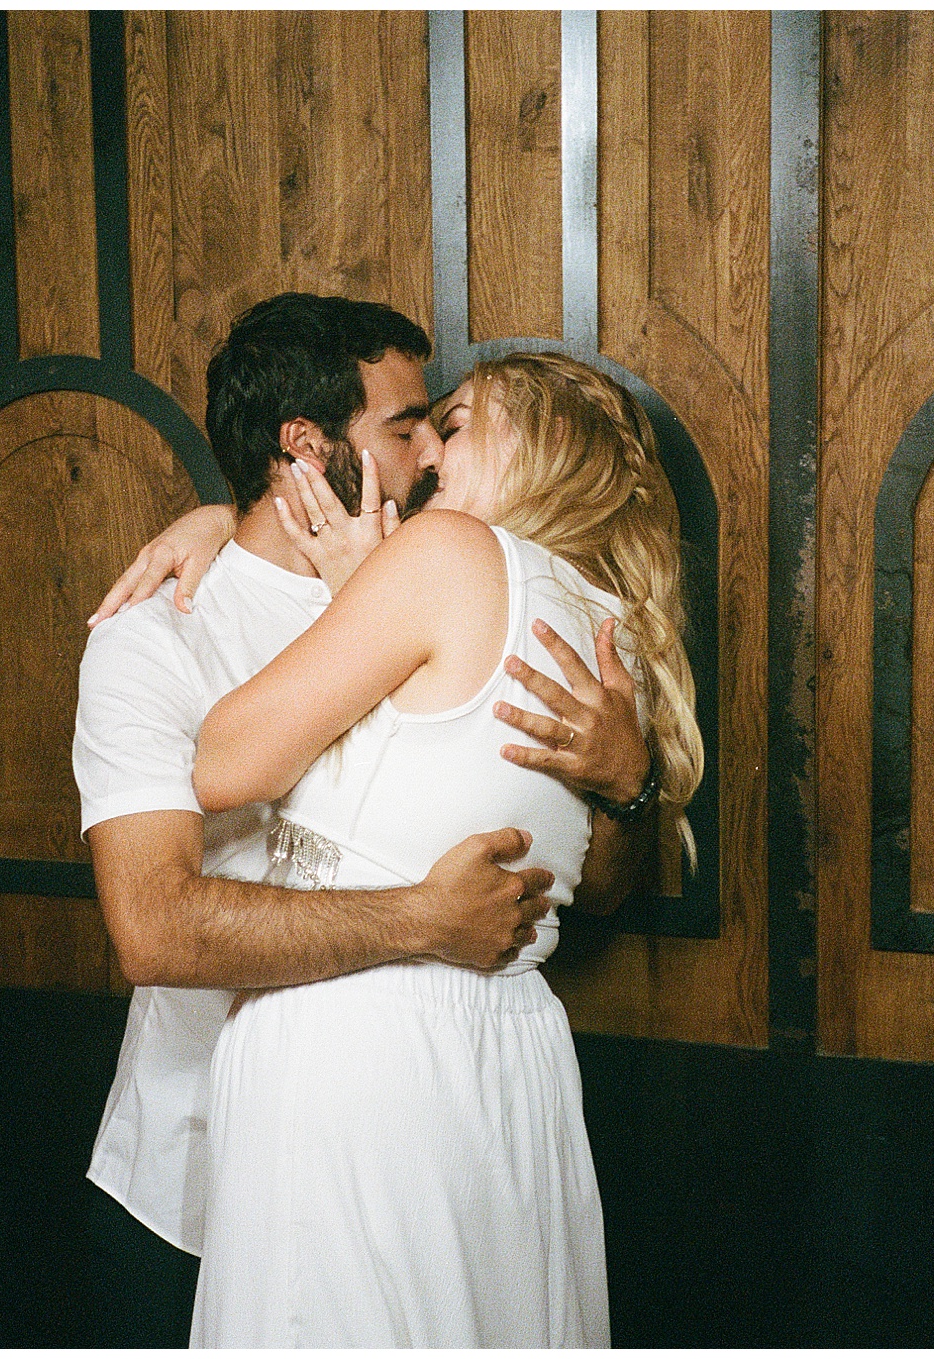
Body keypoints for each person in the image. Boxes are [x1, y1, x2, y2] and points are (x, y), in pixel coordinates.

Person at [71, 297, 657, 1346]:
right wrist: (422, 921)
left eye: (443, 425)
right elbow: (156, 930)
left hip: (425, 1129)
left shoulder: (458, 585)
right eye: (404, 428)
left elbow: (598, 883)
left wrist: (629, 784)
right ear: (305, 449)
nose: (432, 451)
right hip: (196, 1157)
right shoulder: (158, 637)